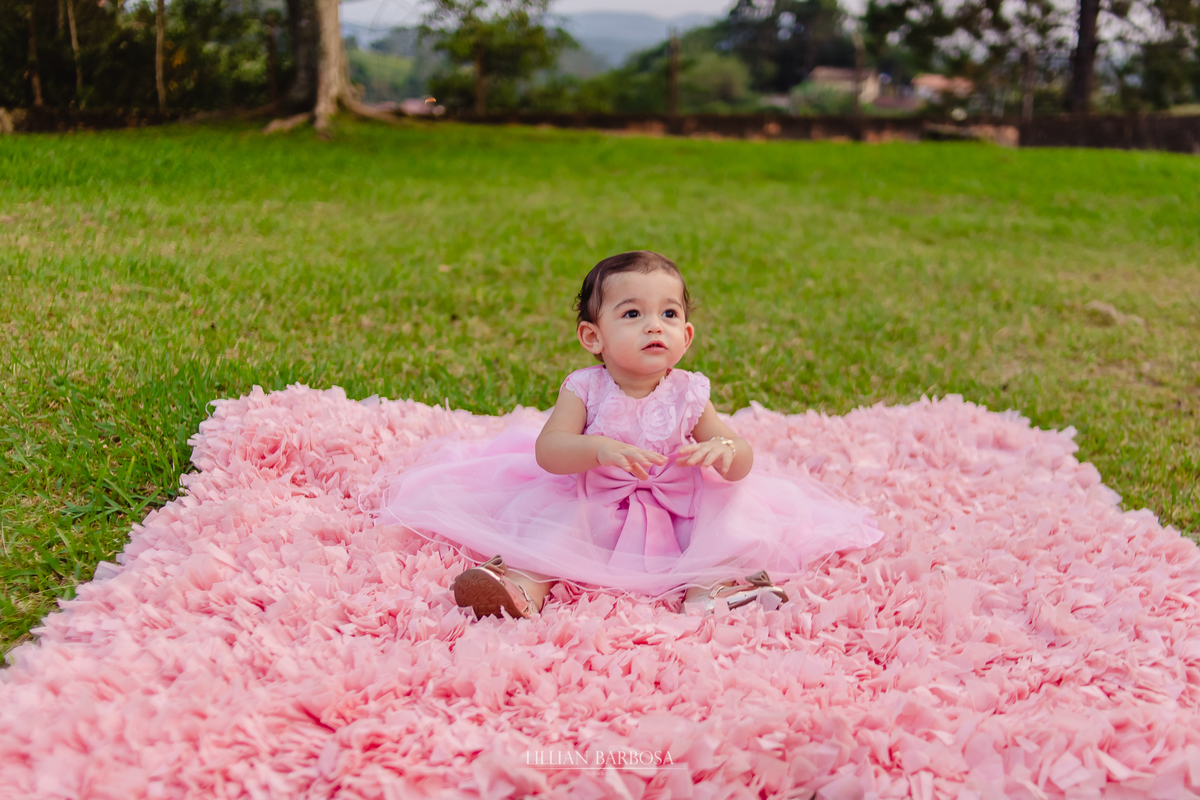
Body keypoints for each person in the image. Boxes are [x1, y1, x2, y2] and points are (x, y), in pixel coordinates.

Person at [376, 251, 883, 619]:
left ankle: (714, 590)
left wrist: (721, 451)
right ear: (592, 336)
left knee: (723, 521)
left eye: (668, 314)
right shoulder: (585, 388)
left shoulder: (688, 392)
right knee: (557, 526)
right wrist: (596, 449)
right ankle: (520, 587)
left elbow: (741, 453)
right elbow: (549, 452)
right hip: (598, 494)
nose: (652, 326)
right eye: (632, 314)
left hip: (679, 501)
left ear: (685, 336)